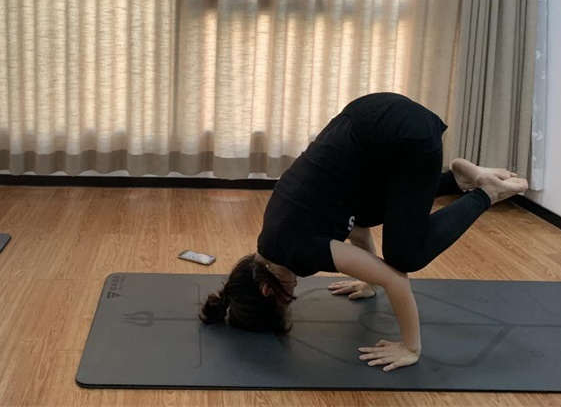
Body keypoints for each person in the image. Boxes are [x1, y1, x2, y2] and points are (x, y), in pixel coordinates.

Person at [200, 92, 528, 372]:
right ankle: (457, 179)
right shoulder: (272, 236)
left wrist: (409, 346)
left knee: (405, 255)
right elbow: (355, 224)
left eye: (286, 301)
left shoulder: (298, 250)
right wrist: (368, 281)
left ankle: (485, 193)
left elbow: (395, 279)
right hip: (372, 119)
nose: (292, 294)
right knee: (368, 212)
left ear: (266, 289)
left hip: (405, 136)